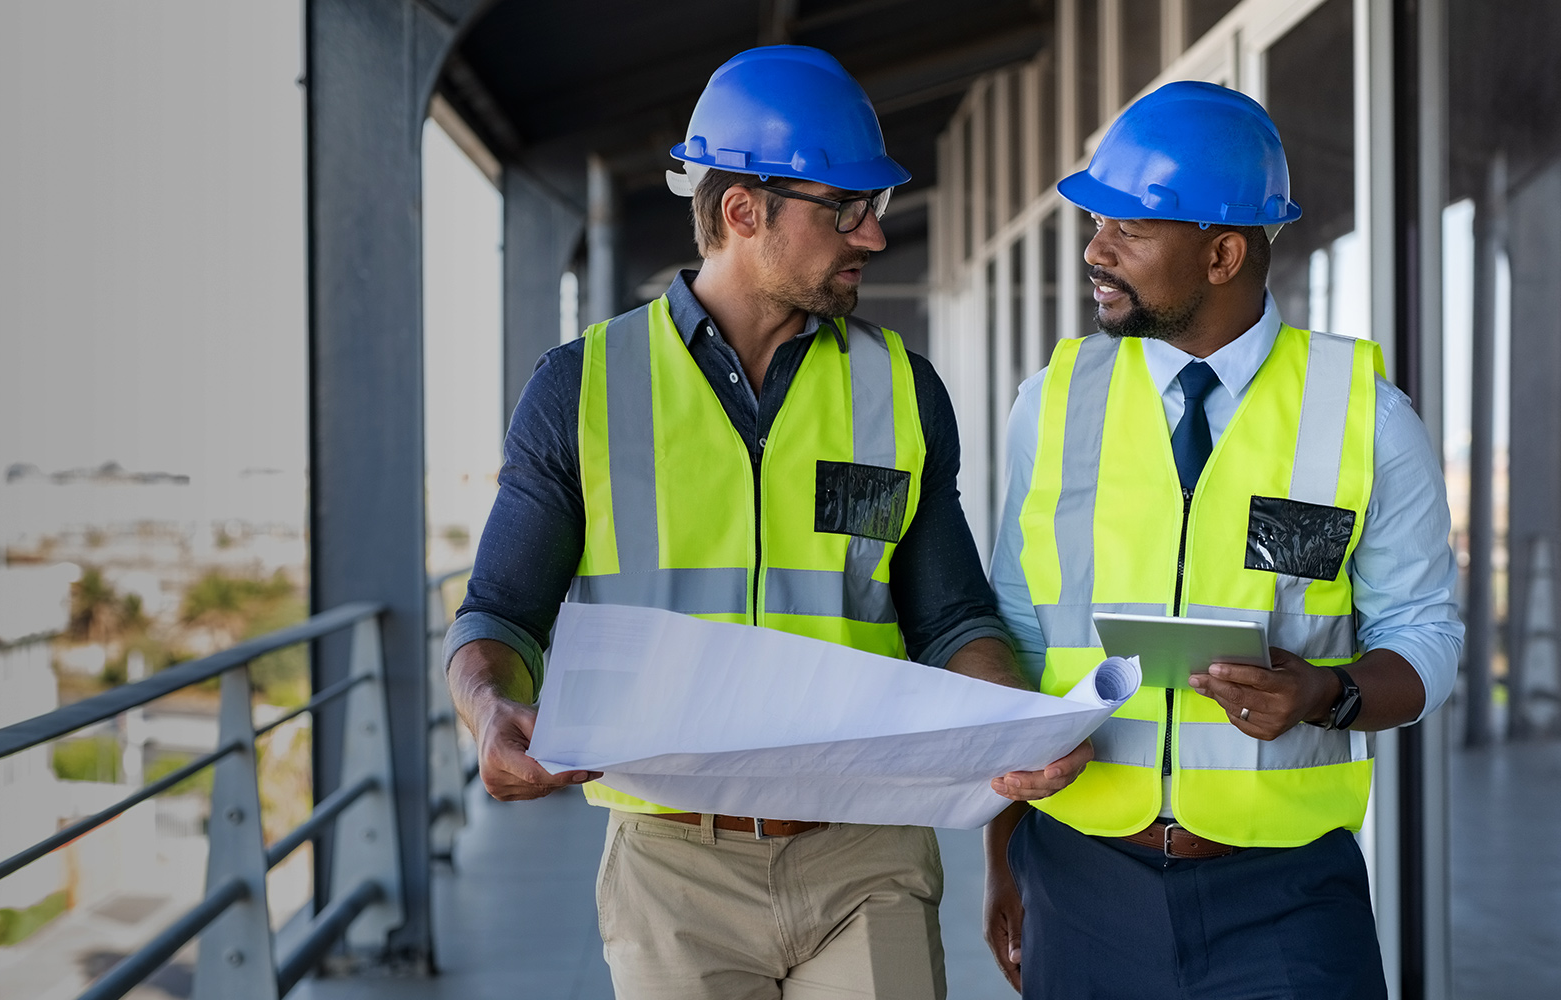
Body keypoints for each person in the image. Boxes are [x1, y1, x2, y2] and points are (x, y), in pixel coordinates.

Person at [444, 45, 1091, 1000]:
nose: (872, 238)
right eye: (846, 210)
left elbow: (952, 618)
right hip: (673, 870)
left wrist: (1012, 723)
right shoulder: (583, 389)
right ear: (744, 212)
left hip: (868, 856)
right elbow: (498, 613)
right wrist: (491, 711)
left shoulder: (903, 392)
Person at [983, 81, 1464, 999]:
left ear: (1224, 252)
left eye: (1129, 227)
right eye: (1096, 221)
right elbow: (1019, 634)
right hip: (1080, 877)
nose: (1096, 250)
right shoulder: (1047, 405)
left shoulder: (1365, 417)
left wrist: (1327, 692)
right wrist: (1002, 858)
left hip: (1287, 896)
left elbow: (1428, 635)